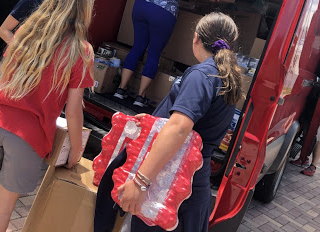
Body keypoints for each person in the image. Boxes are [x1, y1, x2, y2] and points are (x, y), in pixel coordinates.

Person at [0, 0, 96, 232]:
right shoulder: (80, 50)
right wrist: (76, 150)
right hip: (28, 135)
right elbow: (74, 110)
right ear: (85, 6)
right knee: (1, 209)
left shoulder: (26, 30)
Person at [96, 12, 242, 232]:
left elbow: (180, 128)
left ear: (196, 39)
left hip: (170, 182)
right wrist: (155, 123)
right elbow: (193, 125)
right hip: (190, 185)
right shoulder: (224, 77)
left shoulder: (202, 75)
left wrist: (140, 182)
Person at [291, 104, 320, 176]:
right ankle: (304, 159)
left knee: (319, 138)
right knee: (308, 134)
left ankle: (313, 166)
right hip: (313, 107)